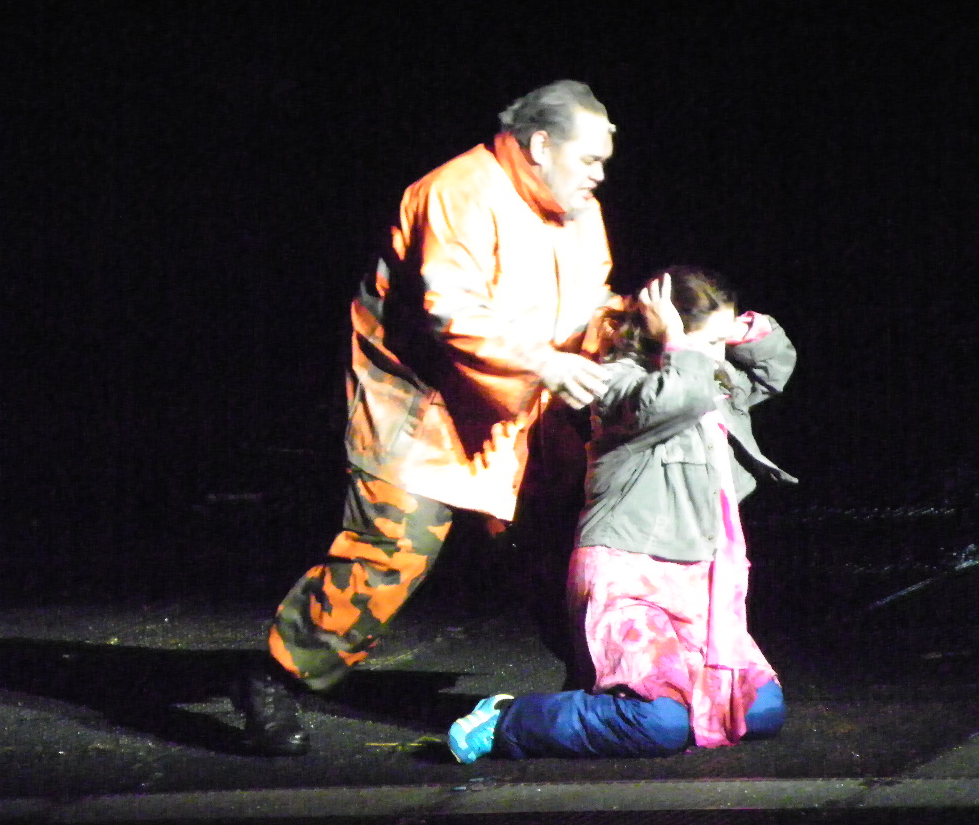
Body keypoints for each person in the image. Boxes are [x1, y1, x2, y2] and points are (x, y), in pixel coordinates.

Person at [234, 81, 620, 755]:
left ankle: (599, 682)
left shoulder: (577, 208)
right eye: (590, 159)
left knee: (564, 540)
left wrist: (645, 335)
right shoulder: (457, 191)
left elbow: (592, 300)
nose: (599, 175)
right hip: (420, 409)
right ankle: (278, 675)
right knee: (394, 549)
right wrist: (545, 361)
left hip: (516, 405)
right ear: (540, 146)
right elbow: (453, 312)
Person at [446, 267, 797, 762]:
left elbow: (773, 366)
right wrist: (680, 339)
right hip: (630, 574)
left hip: (699, 580)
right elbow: (676, 399)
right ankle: (511, 719)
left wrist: (734, 328)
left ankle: (624, 705)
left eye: (724, 343)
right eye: (709, 342)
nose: (718, 356)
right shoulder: (619, 383)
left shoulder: (706, 377)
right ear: (666, 333)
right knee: (658, 725)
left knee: (758, 712)